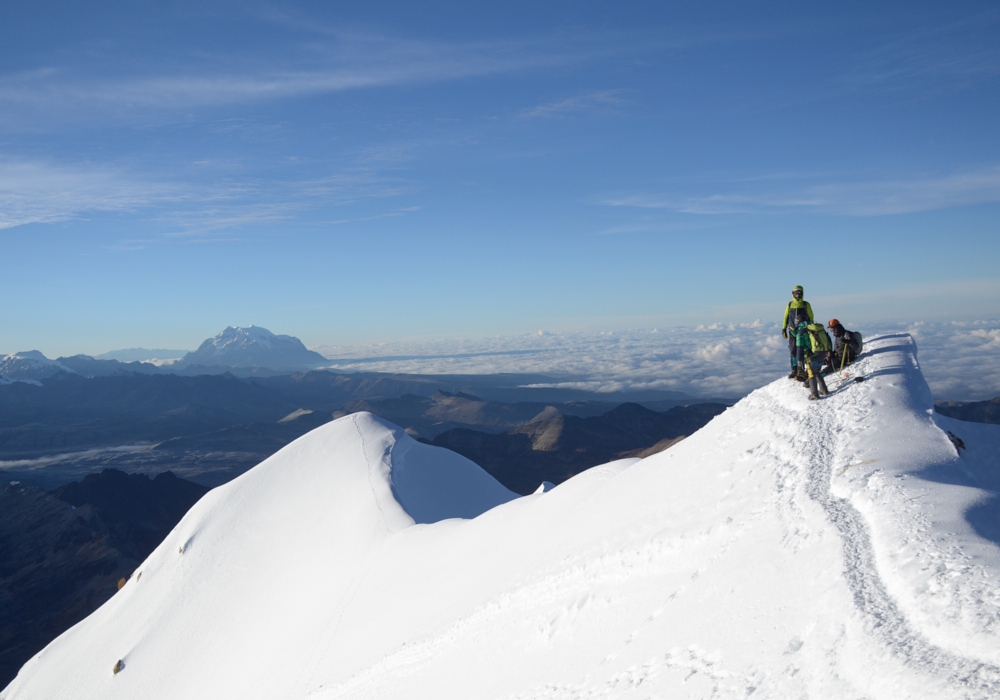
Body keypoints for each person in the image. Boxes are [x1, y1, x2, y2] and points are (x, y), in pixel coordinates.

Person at [782, 286, 813, 379]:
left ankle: (802, 370)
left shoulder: (806, 304)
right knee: (793, 351)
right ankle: (794, 370)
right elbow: (786, 316)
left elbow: (811, 317)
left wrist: (810, 328)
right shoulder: (790, 304)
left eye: (799, 292)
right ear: (793, 294)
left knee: (802, 351)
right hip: (792, 331)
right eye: (795, 292)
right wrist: (784, 328)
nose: (797, 294)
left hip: (803, 331)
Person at [802, 321, 832, 400]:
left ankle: (814, 394)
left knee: (811, 374)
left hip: (814, 354)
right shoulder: (820, 330)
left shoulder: (808, 332)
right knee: (817, 372)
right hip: (823, 352)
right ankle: (823, 390)